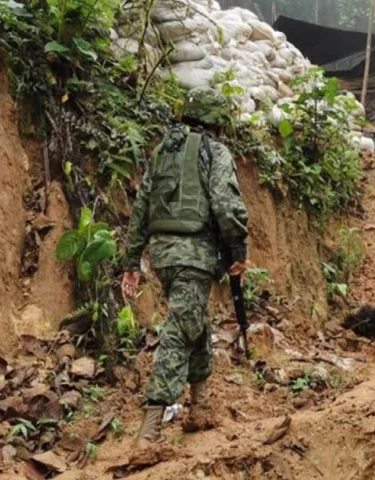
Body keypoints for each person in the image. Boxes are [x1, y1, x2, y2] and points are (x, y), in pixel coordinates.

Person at [120, 88, 250, 448]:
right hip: (194, 254)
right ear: (216, 122)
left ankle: (200, 405)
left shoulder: (163, 151)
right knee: (180, 330)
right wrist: (238, 249)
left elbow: (142, 206)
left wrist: (132, 260)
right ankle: (149, 431)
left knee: (195, 321)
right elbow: (225, 204)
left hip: (163, 255)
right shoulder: (214, 151)